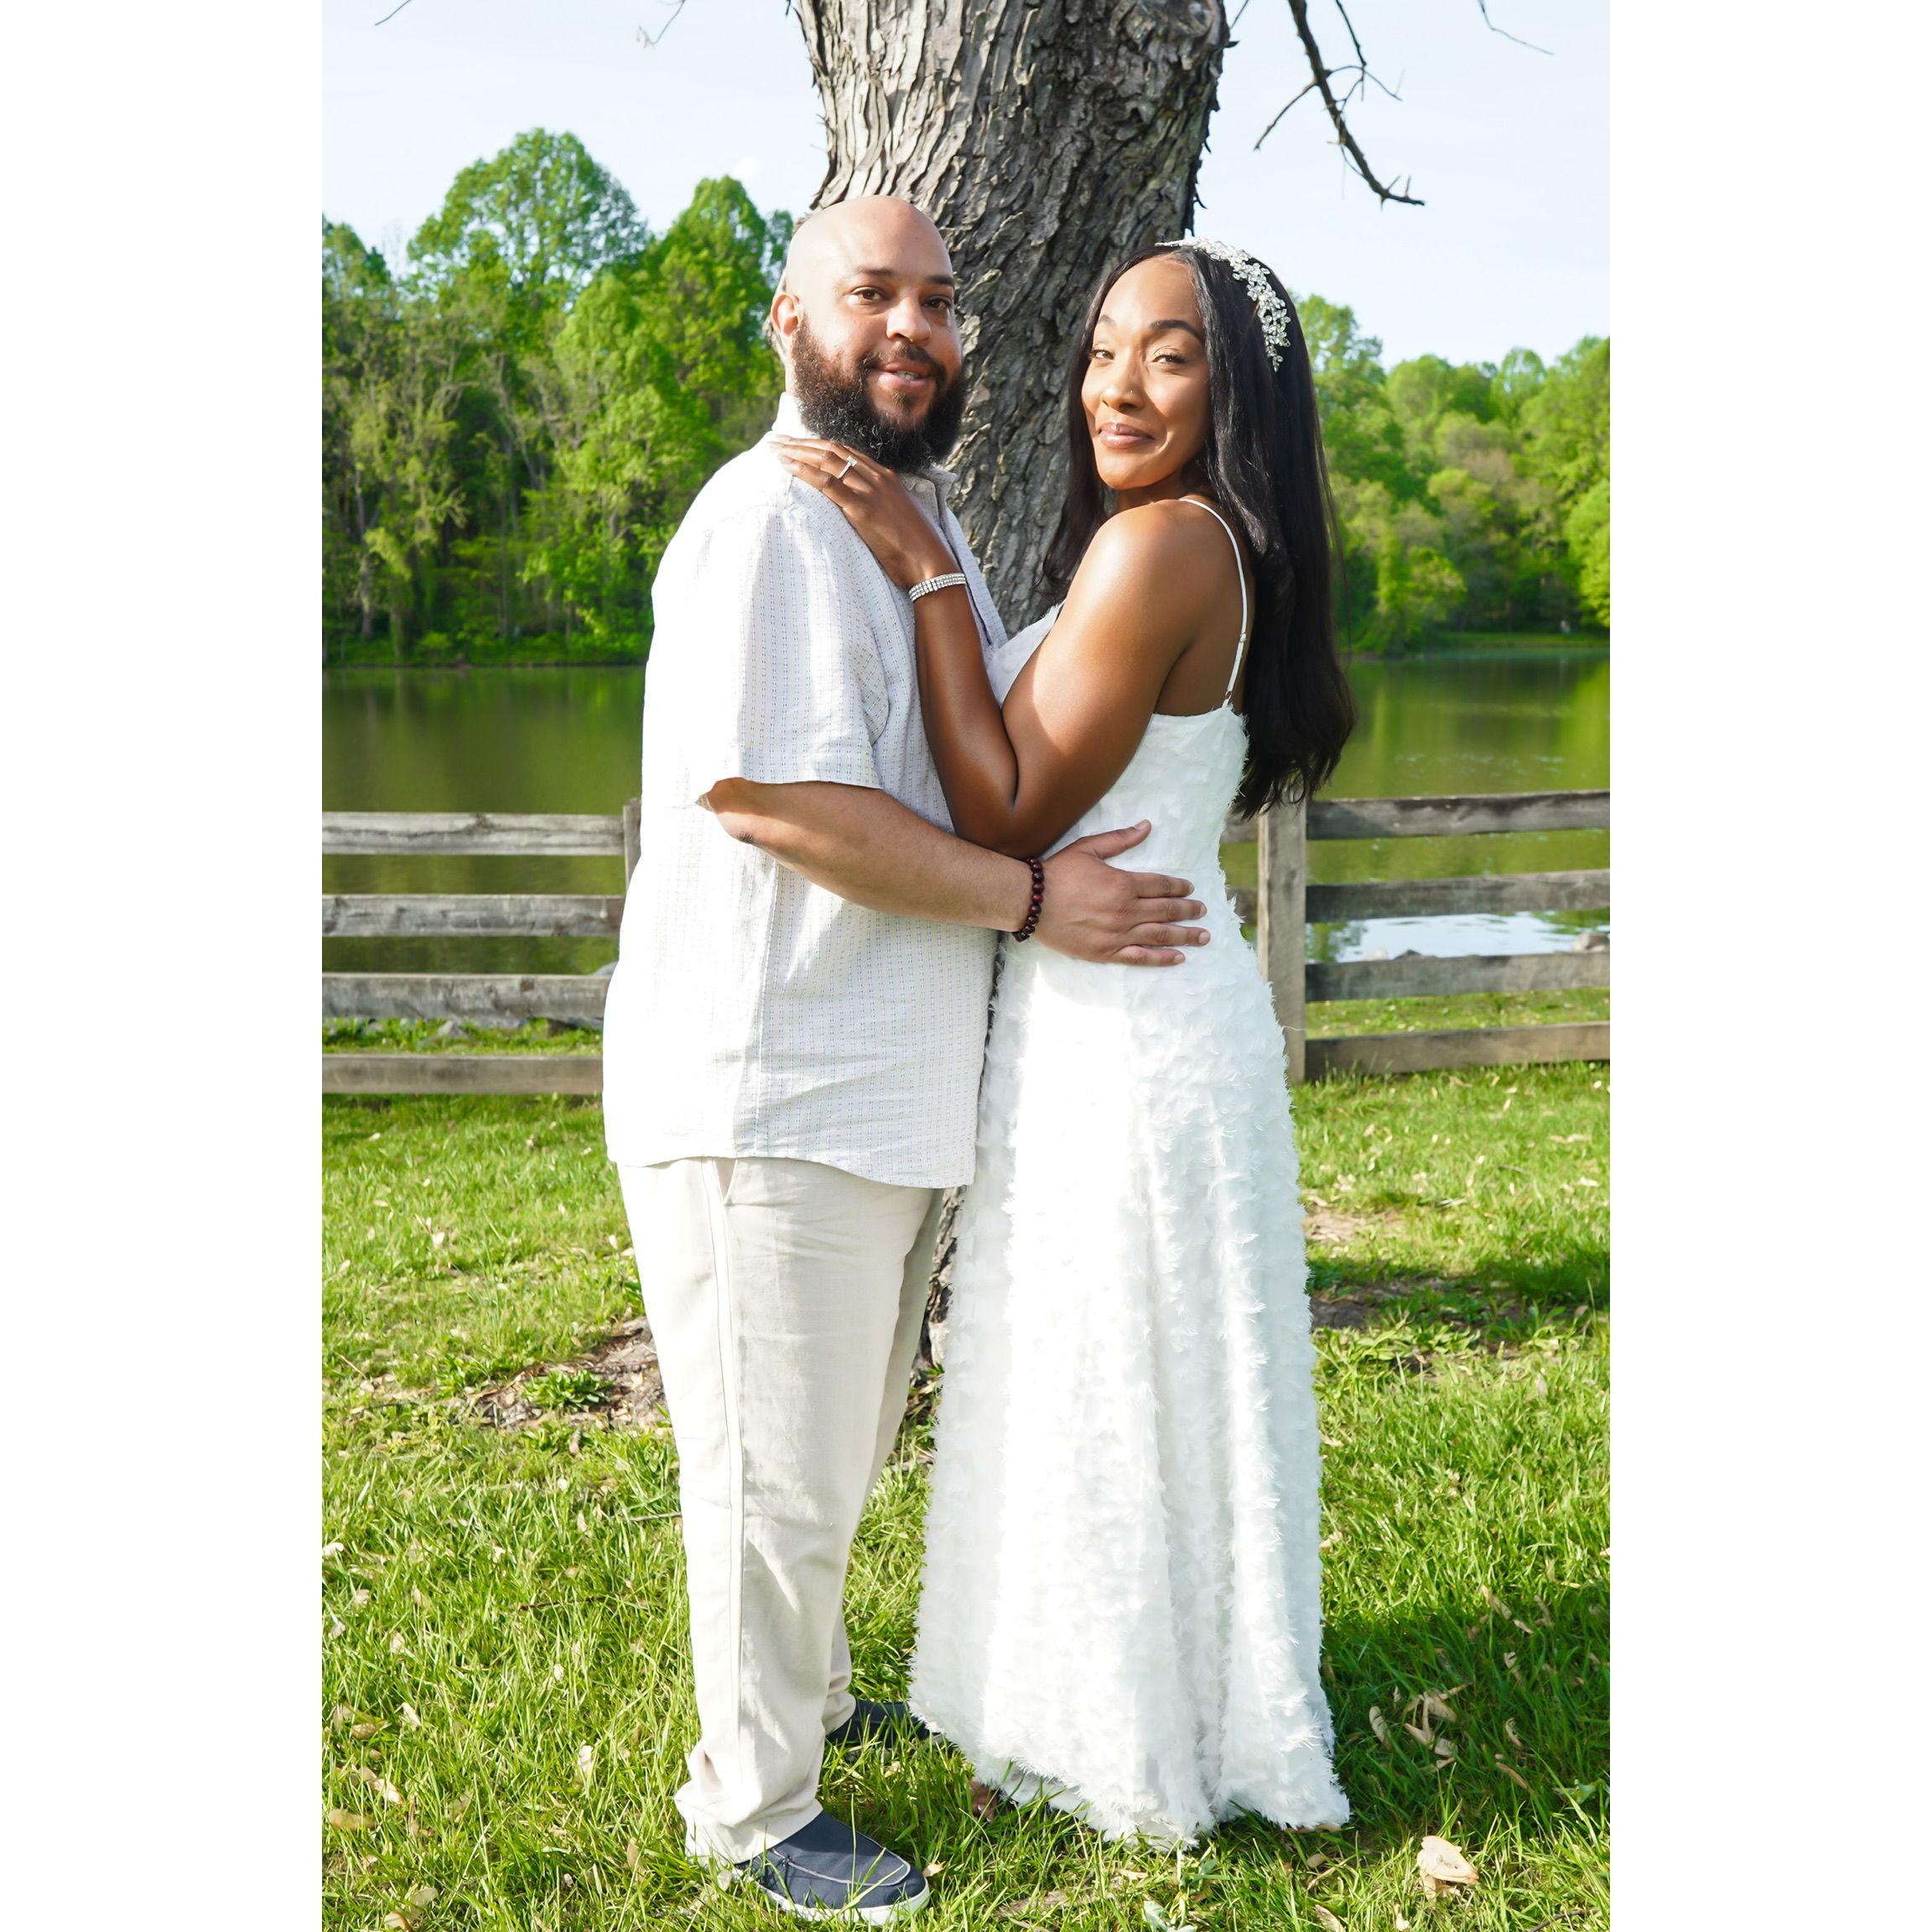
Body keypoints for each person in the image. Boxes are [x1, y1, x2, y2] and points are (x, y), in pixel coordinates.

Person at [599, 196, 1212, 1924]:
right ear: (788, 318)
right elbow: (771, 796)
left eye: (938, 301)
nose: (914, 329)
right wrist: (1034, 900)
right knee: (771, 1477)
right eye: (872, 294)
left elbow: (963, 765)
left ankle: (801, 1699)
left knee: (835, 1455)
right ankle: (754, 1809)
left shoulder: (909, 518)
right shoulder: (770, 521)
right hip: (768, 1085)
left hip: (884, 1087)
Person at [772, 236, 1358, 1844]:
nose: (1118, 386)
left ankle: (1125, 1731)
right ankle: (1103, 1697)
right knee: (1117, 1359)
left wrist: (926, 573)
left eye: (1170, 355)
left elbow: (1002, 807)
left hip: (1129, 1031)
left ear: (1237, 393)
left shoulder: (1164, 546)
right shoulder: (1194, 543)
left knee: (1111, 1357)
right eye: (1104, 349)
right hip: (1138, 1002)